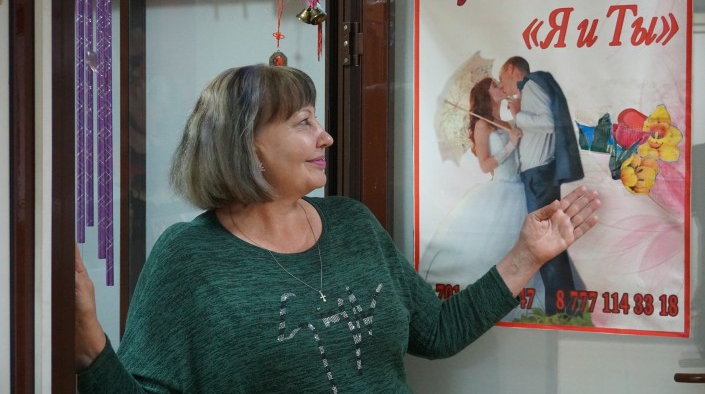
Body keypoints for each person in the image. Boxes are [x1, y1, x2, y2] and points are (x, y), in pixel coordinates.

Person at [76, 64, 601, 393]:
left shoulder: (352, 222)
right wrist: (89, 347)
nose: (325, 137)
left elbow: (438, 332)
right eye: (303, 122)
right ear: (246, 144)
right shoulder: (188, 257)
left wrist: (527, 255)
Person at [419, 77, 546, 320]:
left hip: (521, 188)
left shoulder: (505, 122)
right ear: (486, 94)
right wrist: (511, 143)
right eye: (495, 85)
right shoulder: (482, 125)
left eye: (499, 83)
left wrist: (517, 120)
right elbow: (485, 165)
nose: (500, 86)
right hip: (501, 190)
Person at [499, 56, 585, 316]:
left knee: (545, 243)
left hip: (539, 176)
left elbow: (549, 123)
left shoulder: (531, 85)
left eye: (502, 78)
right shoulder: (531, 89)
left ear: (512, 70)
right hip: (538, 176)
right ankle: (564, 307)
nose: (502, 86)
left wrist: (518, 115)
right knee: (547, 242)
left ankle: (562, 309)